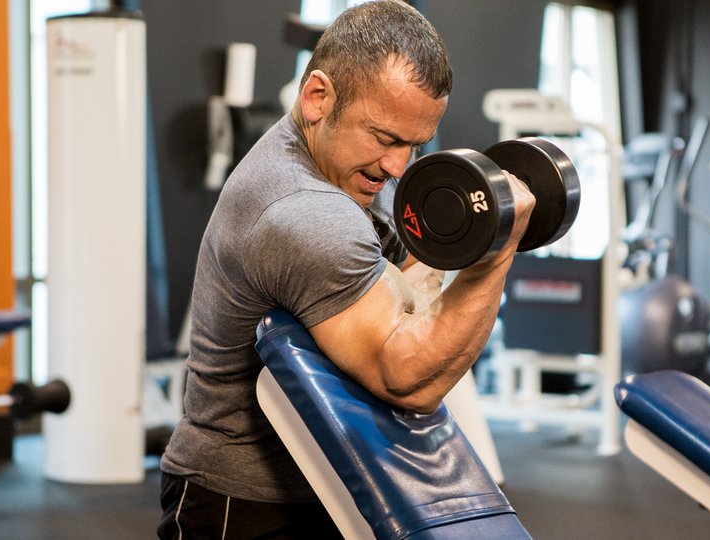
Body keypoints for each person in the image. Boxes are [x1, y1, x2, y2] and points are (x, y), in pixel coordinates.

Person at [157, 1, 535, 537]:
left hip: (327, 479)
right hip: (243, 504)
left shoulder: (342, 167)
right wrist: (497, 250)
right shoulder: (303, 212)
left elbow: (401, 269)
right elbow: (404, 379)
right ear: (317, 98)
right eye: (384, 139)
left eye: (414, 145)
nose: (398, 167)